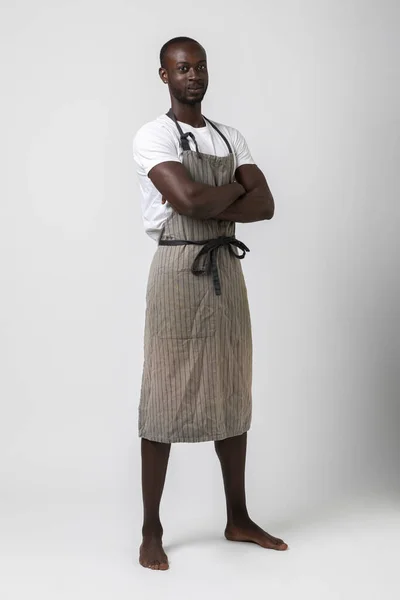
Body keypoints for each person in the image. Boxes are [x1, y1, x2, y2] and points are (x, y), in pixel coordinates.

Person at [132, 36, 288, 571]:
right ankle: (151, 528)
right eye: (181, 68)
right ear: (163, 75)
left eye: (199, 67)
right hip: (178, 271)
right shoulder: (153, 135)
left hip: (226, 271)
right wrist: (224, 196)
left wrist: (207, 197)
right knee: (164, 395)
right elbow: (187, 202)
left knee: (230, 390)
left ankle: (237, 517)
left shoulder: (231, 135)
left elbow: (265, 205)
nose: (192, 75)